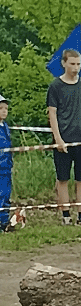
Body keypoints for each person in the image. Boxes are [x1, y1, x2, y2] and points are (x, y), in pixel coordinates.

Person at [46, 47, 81, 226]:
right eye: (72, 64)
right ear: (64, 64)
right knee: (63, 178)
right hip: (64, 139)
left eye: (78, 64)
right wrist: (58, 139)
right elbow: (52, 113)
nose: (76, 67)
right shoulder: (55, 86)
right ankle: (65, 215)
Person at [0, 93, 12, 231]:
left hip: (6, 167)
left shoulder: (5, 126)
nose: (4, 111)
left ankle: (4, 222)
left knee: (5, 194)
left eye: (6, 108)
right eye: (1, 108)